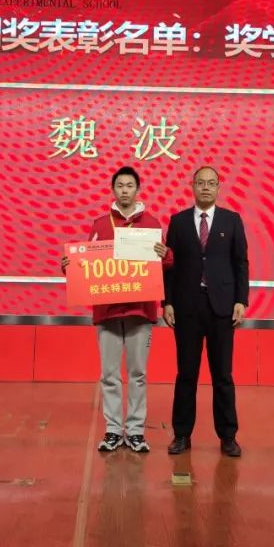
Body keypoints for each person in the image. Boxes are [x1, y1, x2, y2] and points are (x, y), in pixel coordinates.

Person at [62, 166, 171, 452]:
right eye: (120, 185)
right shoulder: (100, 225)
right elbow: (85, 266)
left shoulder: (151, 224)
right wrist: (70, 266)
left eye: (129, 185)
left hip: (140, 311)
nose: (124, 190)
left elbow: (166, 263)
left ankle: (135, 431)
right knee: (109, 374)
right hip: (107, 312)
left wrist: (166, 254)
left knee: (138, 374)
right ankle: (112, 430)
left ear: (138, 189)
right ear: (113, 190)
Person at [162, 166, 249, 458]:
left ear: (219, 187)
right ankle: (181, 435)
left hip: (222, 308)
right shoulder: (178, 221)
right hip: (187, 307)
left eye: (212, 183)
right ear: (192, 186)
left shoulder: (232, 220)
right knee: (186, 373)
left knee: (222, 374)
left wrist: (241, 300)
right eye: (201, 183)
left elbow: (241, 263)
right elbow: (169, 266)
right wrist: (167, 302)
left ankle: (228, 436)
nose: (206, 188)